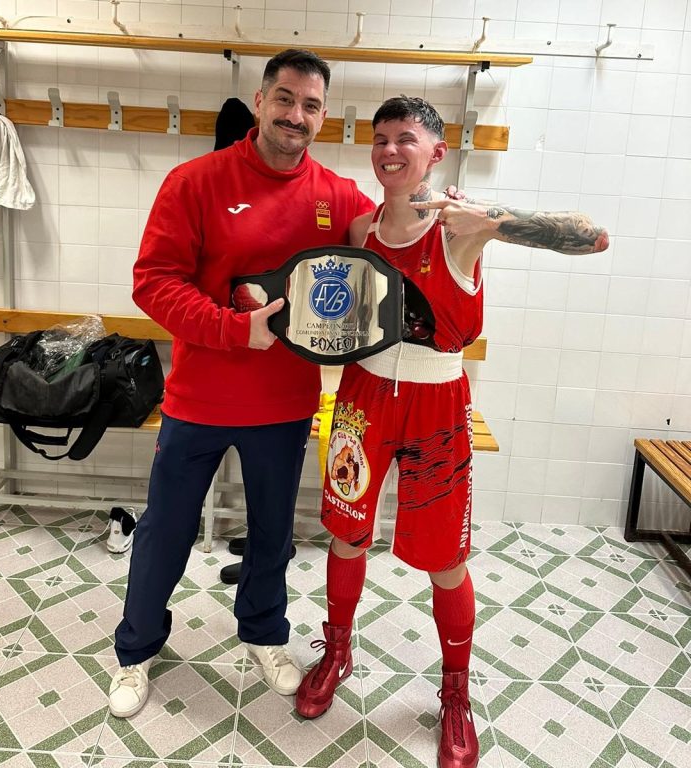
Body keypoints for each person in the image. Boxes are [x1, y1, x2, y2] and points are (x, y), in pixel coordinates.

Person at [295, 96, 609, 768]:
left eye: (406, 139)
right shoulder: (359, 230)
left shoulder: (460, 228)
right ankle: (339, 651)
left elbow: (594, 235)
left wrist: (497, 218)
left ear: (436, 152)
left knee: (445, 559)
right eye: (380, 139)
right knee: (347, 534)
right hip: (362, 398)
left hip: (438, 404)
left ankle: (456, 695)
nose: (389, 150)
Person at [108, 49, 375, 718]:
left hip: (285, 407)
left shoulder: (336, 196)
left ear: (324, 116)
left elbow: (387, 244)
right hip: (197, 402)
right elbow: (153, 282)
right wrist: (235, 328)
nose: (296, 115)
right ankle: (136, 649)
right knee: (164, 531)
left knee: (273, 536)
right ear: (260, 102)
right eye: (285, 99)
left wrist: (434, 209)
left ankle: (263, 633)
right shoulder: (194, 181)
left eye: (311, 105)